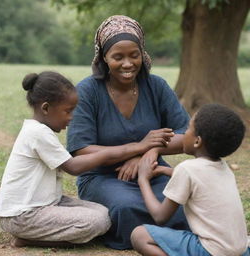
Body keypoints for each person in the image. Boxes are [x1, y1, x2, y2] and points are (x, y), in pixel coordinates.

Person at [67, 15, 190, 249]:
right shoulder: (87, 92)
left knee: (182, 202)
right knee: (127, 207)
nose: (127, 64)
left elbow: (187, 135)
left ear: (142, 54)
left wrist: (149, 152)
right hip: (101, 177)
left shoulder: (156, 87)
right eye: (118, 57)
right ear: (104, 57)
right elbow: (81, 150)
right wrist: (136, 147)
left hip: (152, 172)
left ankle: (159, 236)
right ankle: (153, 237)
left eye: (134, 55)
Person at [0, 71, 156, 248]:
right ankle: (28, 239)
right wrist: (133, 147)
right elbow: (73, 167)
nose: (71, 118)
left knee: (103, 213)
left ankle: (43, 235)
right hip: (23, 216)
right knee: (97, 221)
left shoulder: (39, 130)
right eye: (68, 111)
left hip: (45, 204)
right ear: (46, 108)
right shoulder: (38, 133)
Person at [131, 103, 249, 256]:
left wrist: (143, 180)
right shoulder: (224, 168)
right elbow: (199, 180)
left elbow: (160, 216)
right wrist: (163, 170)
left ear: (197, 141)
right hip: (241, 249)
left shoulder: (186, 168)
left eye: (188, 129)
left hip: (211, 251)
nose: (184, 133)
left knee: (139, 235)